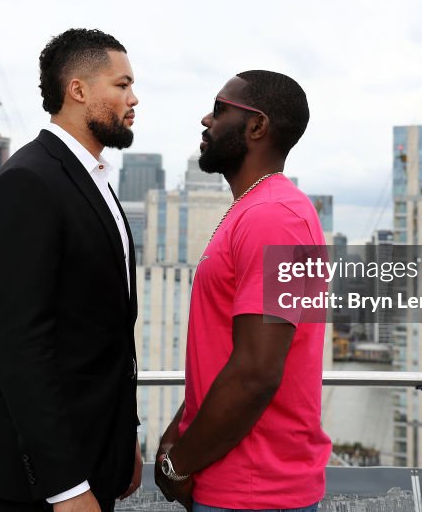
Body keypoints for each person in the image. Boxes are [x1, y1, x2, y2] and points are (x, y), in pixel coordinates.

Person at [0, 29, 142, 512]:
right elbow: (21, 345)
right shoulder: (29, 180)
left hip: (98, 450)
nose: (134, 99)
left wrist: (127, 436)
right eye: (122, 85)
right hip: (44, 479)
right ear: (78, 90)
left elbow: (106, 331)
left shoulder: (95, 178)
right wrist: (64, 486)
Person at [154, 70, 331, 512]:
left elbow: (256, 373)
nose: (205, 120)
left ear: (257, 126)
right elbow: (226, 353)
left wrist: (177, 464)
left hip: (254, 492)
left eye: (219, 109)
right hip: (235, 485)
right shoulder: (256, 210)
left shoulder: (275, 217)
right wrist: (179, 428)